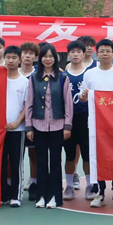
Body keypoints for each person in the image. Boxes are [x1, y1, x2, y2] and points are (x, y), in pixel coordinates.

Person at [80, 39, 113, 208]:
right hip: (95, 122)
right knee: (97, 157)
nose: (104, 54)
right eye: (101, 51)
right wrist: (83, 96)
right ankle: (99, 192)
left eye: (108, 51)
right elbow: (83, 96)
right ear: (97, 53)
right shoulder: (89, 74)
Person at [25, 44, 73, 209]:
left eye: (51, 56)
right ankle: (41, 196)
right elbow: (29, 103)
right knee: (41, 162)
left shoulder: (63, 77)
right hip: (38, 125)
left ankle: (54, 197)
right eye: (45, 56)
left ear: (55, 58)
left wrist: (67, 125)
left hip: (58, 126)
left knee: (55, 162)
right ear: (40, 58)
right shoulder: (33, 78)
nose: (48, 59)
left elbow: (68, 103)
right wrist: (29, 127)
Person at [63, 40, 91, 201]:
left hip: (86, 120)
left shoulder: (90, 74)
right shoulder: (63, 75)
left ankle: (89, 185)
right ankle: (69, 186)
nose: (75, 54)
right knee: (69, 155)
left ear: (84, 54)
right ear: (68, 54)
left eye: (78, 52)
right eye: (72, 52)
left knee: (87, 155)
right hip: (68, 120)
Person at [2, 46, 28, 207]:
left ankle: (16, 196)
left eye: (14, 58)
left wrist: (17, 122)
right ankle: (3, 194)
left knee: (16, 162)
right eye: (8, 57)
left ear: (19, 60)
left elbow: (27, 106)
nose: (10, 61)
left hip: (18, 129)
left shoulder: (24, 82)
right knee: (0, 163)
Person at [19, 42, 40, 198]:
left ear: (36, 57)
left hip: (33, 122)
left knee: (34, 155)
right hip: (14, 121)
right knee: (14, 156)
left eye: (31, 53)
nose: (27, 56)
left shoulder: (38, 75)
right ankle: (13, 184)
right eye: (25, 53)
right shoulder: (11, 72)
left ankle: (34, 183)